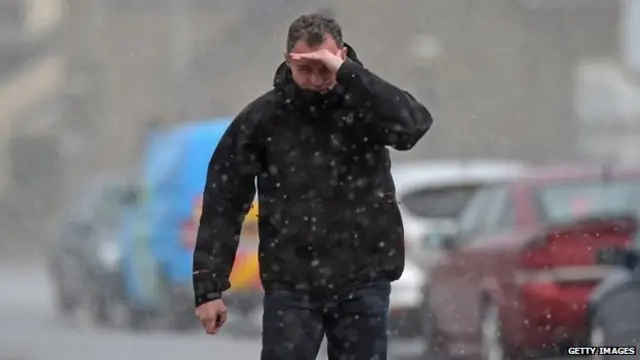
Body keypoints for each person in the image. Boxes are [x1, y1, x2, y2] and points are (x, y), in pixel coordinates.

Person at [192, 12, 433, 360]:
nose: (318, 79)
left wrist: (348, 75)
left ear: (343, 57)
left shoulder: (366, 104)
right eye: (306, 69)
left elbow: (413, 125)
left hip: (363, 277)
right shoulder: (263, 119)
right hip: (292, 283)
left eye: (326, 67)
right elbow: (224, 202)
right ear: (288, 61)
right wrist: (208, 288)